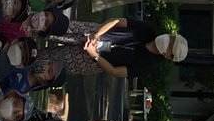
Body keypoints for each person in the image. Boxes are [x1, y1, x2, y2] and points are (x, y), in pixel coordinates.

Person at [45, 15, 188, 77]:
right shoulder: (148, 29)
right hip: (92, 32)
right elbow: (118, 21)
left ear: (169, 56)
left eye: (171, 46)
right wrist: (96, 34)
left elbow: (115, 71)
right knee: (49, 27)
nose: (168, 41)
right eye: (172, 38)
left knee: (48, 63)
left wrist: (94, 55)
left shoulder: (146, 65)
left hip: (91, 61)